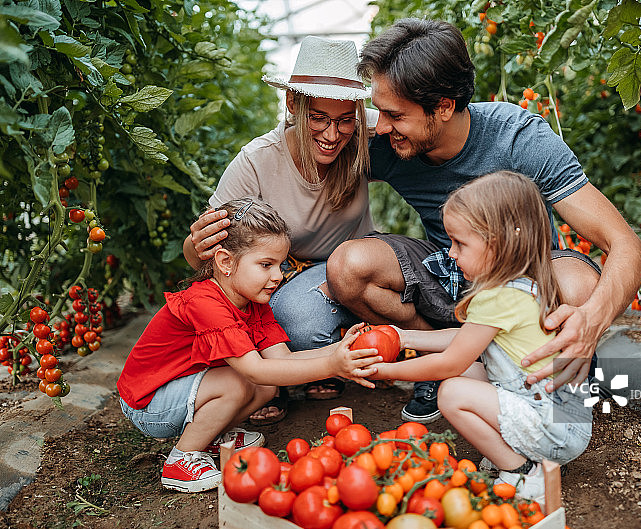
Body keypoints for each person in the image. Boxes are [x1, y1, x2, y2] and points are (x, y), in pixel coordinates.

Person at [326, 18, 641, 423]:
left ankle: (546, 367)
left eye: (394, 114)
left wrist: (593, 318)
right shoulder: (389, 143)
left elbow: (629, 248)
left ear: (443, 106)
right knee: (348, 267)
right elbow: (301, 147)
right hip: (453, 272)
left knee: (579, 285)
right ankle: (443, 360)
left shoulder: (518, 140)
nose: (383, 125)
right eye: (378, 111)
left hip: (525, 282)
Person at [119, 198, 380, 493]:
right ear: (225, 262)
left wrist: (338, 349)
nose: (278, 276)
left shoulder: (253, 302)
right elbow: (256, 369)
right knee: (238, 382)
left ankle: (213, 436)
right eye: (266, 265)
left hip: (183, 389)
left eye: (281, 265)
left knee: (267, 389)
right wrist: (331, 366)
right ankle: (182, 459)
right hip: (148, 402)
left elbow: (280, 358)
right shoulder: (205, 303)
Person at [368, 172, 592, 504]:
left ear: (499, 243)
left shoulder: (498, 297)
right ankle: (515, 451)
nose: (452, 253)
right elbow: (462, 338)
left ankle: (521, 472)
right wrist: (402, 338)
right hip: (566, 420)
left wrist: (383, 371)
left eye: (460, 243)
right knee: (468, 372)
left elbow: (450, 360)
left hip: (556, 431)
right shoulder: (522, 283)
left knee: (452, 391)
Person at [184, 36, 375, 424]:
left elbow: (416, 121)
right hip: (280, 272)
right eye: (318, 118)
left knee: (298, 317)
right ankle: (289, 374)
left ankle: (325, 347)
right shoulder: (257, 161)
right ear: (293, 104)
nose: (332, 134)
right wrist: (196, 242)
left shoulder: (366, 134)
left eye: (344, 121)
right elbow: (203, 257)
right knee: (256, 304)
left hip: (347, 264)